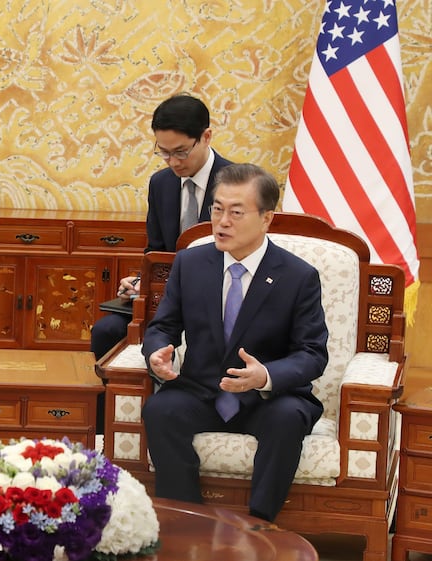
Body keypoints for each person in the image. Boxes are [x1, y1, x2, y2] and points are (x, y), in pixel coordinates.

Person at [141, 163, 328, 522]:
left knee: (287, 418)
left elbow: (313, 353)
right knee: (160, 410)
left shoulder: (298, 276)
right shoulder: (190, 263)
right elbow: (162, 327)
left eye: (236, 212)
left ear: (266, 218)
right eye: (217, 209)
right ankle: (187, 520)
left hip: (268, 397)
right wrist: (157, 354)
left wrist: (266, 375)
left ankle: (259, 526)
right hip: (202, 389)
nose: (222, 221)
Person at [90, 93, 233, 361]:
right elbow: (155, 252)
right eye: (164, 152)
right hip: (166, 300)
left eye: (181, 151)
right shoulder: (161, 183)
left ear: (206, 137)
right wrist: (140, 282)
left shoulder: (238, 184)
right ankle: (105, 404)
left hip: (218, 301)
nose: (173, 161)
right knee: (105, 330)